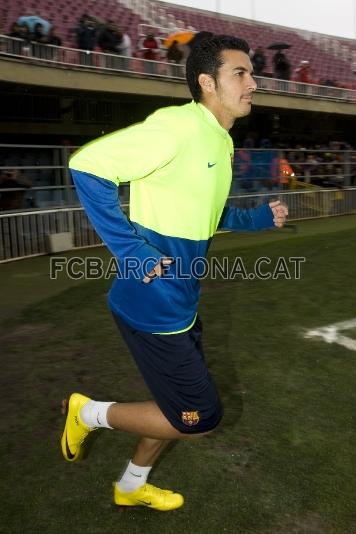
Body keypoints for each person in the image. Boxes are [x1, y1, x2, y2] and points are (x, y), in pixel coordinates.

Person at [64, 33, 288, 512]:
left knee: (173, 408)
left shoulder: (218, 140)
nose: (254, 82)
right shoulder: (178, 127)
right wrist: (131, 251)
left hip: (179, 303)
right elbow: (86, 166)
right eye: (241, 73)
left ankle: (130, 486)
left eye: (251, 72)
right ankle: (88, 412)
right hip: (152, 305)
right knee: (197, 418)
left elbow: (206, 212)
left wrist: (256, 219)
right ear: (208, 82)